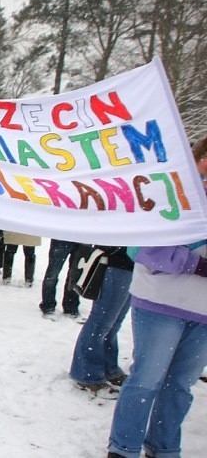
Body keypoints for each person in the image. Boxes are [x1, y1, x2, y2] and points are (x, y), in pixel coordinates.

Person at [106, 136, 207, 458]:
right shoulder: (173, 192)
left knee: (180, 386)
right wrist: (195, 263)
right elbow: (143, 249)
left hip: (203, 313)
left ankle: (164, 448)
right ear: (198, 158)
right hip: (161, 303)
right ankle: (124, 448)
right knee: (147, 380)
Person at [69, 246, 133, 395]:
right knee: (101, 322)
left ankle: (108, 368)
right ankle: (87, 375)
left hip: (131, 266)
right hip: (116, 263)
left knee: (113, 323)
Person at [39, 238, 80, 317]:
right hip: (62, 237)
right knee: (52, 274)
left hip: (82, 238)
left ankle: (71, 307)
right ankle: (48, 305)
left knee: (76, 275)